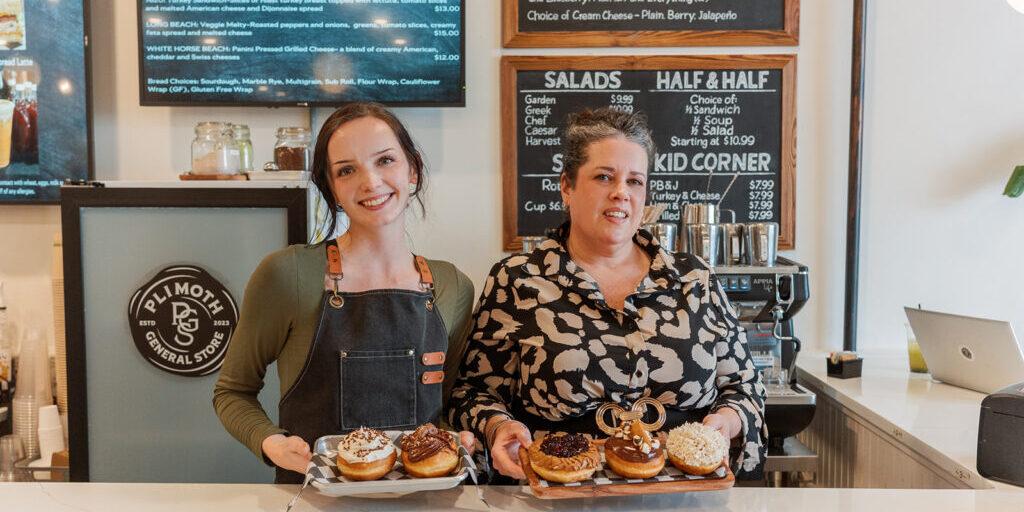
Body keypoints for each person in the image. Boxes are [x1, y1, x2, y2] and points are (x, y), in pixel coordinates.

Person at [448, 108, 766, 480]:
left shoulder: (694, 279)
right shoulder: (518, 280)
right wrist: (498, 427)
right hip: (560, 491)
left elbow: (745, 388)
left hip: (683, 494)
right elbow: (471, 394)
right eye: (604, 177)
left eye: (635, 181)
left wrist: (725, 424)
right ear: (566, 186)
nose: (621, 193)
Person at [214, 102, 476, 484]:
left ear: (413, 168)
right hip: (317, 500)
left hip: (426, 501)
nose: (370, 182)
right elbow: (232, 392)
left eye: (385, 160)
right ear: (332, 188)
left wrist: (460, 435)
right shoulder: (289, 275)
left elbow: (451, 404)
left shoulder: (452, 286)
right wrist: (271, 442)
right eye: (347, 170)